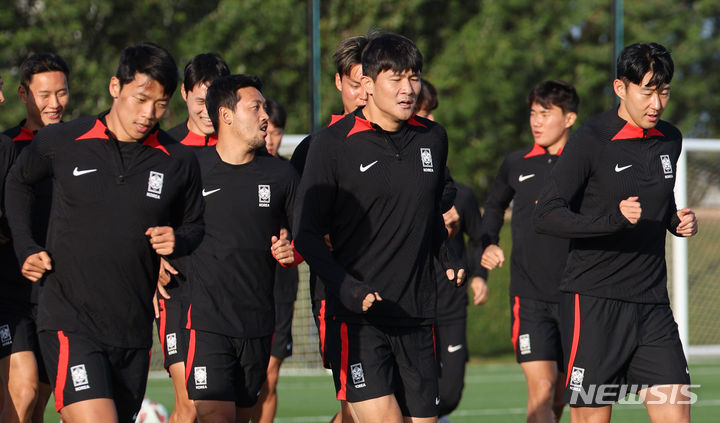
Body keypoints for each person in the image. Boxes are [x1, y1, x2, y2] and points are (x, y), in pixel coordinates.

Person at [4, 42, 204, 423]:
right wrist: (26, 246)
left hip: (132, 333)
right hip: (69, 321)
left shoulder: (178, 161)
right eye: (140, 99)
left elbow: (195, 226)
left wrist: (177, 241)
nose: (149, 114)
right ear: (115, 87)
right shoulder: (64, 141)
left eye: (160, 104)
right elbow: (18, 182)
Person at [294, 33, 464, 423]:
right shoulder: (330, 145)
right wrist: (346, 286)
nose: (408, 90)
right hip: (357, 318)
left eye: (414, 77)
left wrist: (447, 256)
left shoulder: (433, 139)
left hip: (417, 314)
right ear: (367, 85)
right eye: (396, 79)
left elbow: (428, 216)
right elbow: (306, 234)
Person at [533, 43, 697, 423]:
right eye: (647, 91)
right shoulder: (591, 139)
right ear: (620, 88)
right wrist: (612, 220)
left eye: (664, 91)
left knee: (678, 417)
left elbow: (661, 200)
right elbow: (546, 214)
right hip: (593, 303)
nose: (656, 103)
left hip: (653, 304)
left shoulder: (670, 138)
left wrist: (676, 221)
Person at [182, 74, 301, 423]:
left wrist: (292, 251)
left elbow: (307, 236)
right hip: (205, 322)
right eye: (256, 107)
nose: (265, 116)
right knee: (216, 415)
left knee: (245, 416)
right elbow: (156, 222)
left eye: (264, 107)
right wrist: (159, 257)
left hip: (258, 324)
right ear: (226, 115)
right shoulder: (190, 168)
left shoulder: (282, 175)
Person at [481, 80, 578, 423]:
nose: (536, 121)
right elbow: (493, 207)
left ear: (569, 119)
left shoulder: (584, 165)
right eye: (533, 113)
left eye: (545, 113)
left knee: (563, 394)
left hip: (576, 297)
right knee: (542, 388)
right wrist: (488, 242)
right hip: (529, 297)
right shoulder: (516, 163)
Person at [289, 34, 369, 423]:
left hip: (400, 291)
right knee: (354, 406)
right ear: (339, 83)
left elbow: (442, 193)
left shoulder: (412, 143)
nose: (362, 94)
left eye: (369, 83)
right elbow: (293, 219)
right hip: (337, 293)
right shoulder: (315, 148)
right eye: (355, 84)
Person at [155, 52, 230, 423]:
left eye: (214, 100)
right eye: (200, 100)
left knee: (230, 410)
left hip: (233, 296)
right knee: (188, 404)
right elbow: (137, 214)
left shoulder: (242, 150)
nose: (206, 109)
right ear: (184, 94)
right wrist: (151, 263)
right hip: (180, 292)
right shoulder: (163, 149)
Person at [0, 52, 70, 423]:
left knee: (40, 399)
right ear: (23, 94)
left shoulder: (81, 146)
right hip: (11, 293)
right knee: (22, 391)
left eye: (61, 93)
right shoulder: (7, 147)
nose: (53, 103)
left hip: (59, 293)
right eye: (44, 95)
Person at [414, 79, 489, 423]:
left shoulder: (462, 195)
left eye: (429, 113)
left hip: (450, 302)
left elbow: (480, 237)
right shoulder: (397, 189)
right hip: (409, 301)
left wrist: (479, 275)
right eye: (420, 112)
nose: (425, 120)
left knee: (450, 392)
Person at [250, 97, 300, 423]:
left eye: (278, 131)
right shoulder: (239, 169)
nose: (271, 138)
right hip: (245, 281)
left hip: (281, 284)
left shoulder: (290, 175)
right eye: (267, 129)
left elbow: (307, 230)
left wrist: (292, 243)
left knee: (270, 373)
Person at [166, 52, 230, 149]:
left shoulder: (241, 144)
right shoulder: (166, 146)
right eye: (200, 101)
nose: (207, 111)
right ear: (184, 92)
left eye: (215, 102)